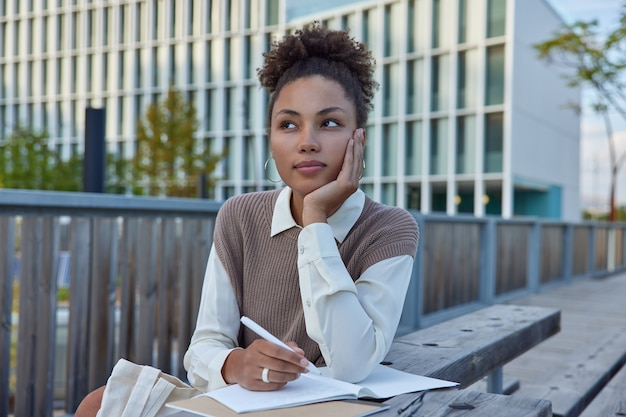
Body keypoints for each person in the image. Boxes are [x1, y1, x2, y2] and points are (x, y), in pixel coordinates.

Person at [75, 22, 419, 416]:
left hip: (330, 407)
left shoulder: (390, 228)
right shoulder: (240, 216)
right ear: (271, 138)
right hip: (244, 402)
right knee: (100, 404)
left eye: (329, 123)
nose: (307, 141)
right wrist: (235, 364)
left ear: (360, 138)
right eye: (288, 124)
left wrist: (316, 221)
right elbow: (205, 345)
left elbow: (352, 364)